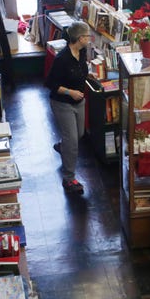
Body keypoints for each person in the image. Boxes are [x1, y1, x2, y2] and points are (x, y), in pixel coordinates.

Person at [45, 21, 92, 194]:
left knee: (78, 134)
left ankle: (62, 147)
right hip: (62, 103)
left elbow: (82, 72)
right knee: (72, 140)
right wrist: (70, 92)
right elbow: (50, 83)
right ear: (80, 38)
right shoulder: (62, 59)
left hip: (79, 103)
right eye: (87, 36)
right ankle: (69, 178)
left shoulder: (82, 51)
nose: (89, 39)